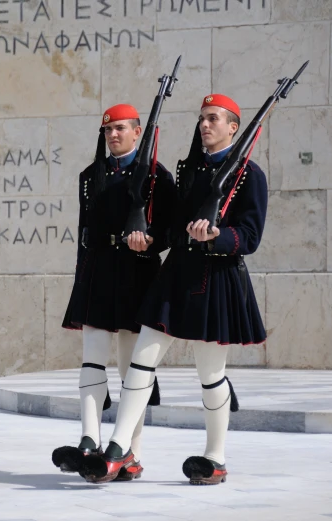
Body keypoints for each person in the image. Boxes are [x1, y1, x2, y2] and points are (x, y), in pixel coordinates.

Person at [76, 94, 268, 485]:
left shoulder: (251, 175)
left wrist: (218, 236)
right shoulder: (186, 171)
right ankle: (119, 447)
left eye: (213, 119)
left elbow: (249, 235)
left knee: (211, 376)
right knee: (141, 363)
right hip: (176, 273)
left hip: (216, 279)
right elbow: (169, 222)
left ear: (233, 126)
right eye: (202, 119)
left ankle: (215, 457)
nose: (205, 125)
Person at [52, 103, 175, 481]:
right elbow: (83, 231)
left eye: (121, 129)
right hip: (98, 269)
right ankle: (89, 439)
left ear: (138, 132)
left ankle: (131, 453)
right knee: (92, 357)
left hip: (136, 272)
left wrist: (148, 244)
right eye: (108, 130)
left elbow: (168, 231)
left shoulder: (157, 176)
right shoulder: (91, 175)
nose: (114, 135)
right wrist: (79, 278)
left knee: (129, 368)